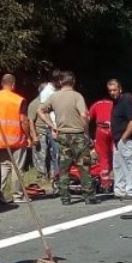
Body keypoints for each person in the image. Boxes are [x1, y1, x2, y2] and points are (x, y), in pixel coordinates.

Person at [38, 71, 97, 205]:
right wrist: (87, 132)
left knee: (64, 167)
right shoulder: (77, 96)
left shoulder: (54, 97)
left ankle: (65, 197)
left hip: (62, 135)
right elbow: (83, 115)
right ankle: (88, 196)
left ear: (60, 82)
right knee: (84, 166)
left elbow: (40, 110)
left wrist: (52, 126)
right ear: (73, 82)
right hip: (78, 134)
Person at [0, 74, 30, 203]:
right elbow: (23, 121)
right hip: (16, 139)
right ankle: (17, 195)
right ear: (13, 84)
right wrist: (28, 137)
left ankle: (1, 194)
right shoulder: (18, 100)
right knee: (17, 168)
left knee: (4, 166)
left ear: (1, 83)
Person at [107, 79, 132, 199]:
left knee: (129, 164)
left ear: (120, 89)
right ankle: (120, 190)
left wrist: (124, 138)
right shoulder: (115, 103)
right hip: (117, 140)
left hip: (126, 139)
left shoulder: (126, 100)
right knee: (118, 166)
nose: (112, 92)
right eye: (110, 90)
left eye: (114, 90)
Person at [87, 97, 114, 191]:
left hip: (101, 130)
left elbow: (87, 119)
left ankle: (105, 183)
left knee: (103, 156)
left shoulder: (96, 104)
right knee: (116, 155)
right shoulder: (113, 104)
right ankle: (117, 180)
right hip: (114, 130)